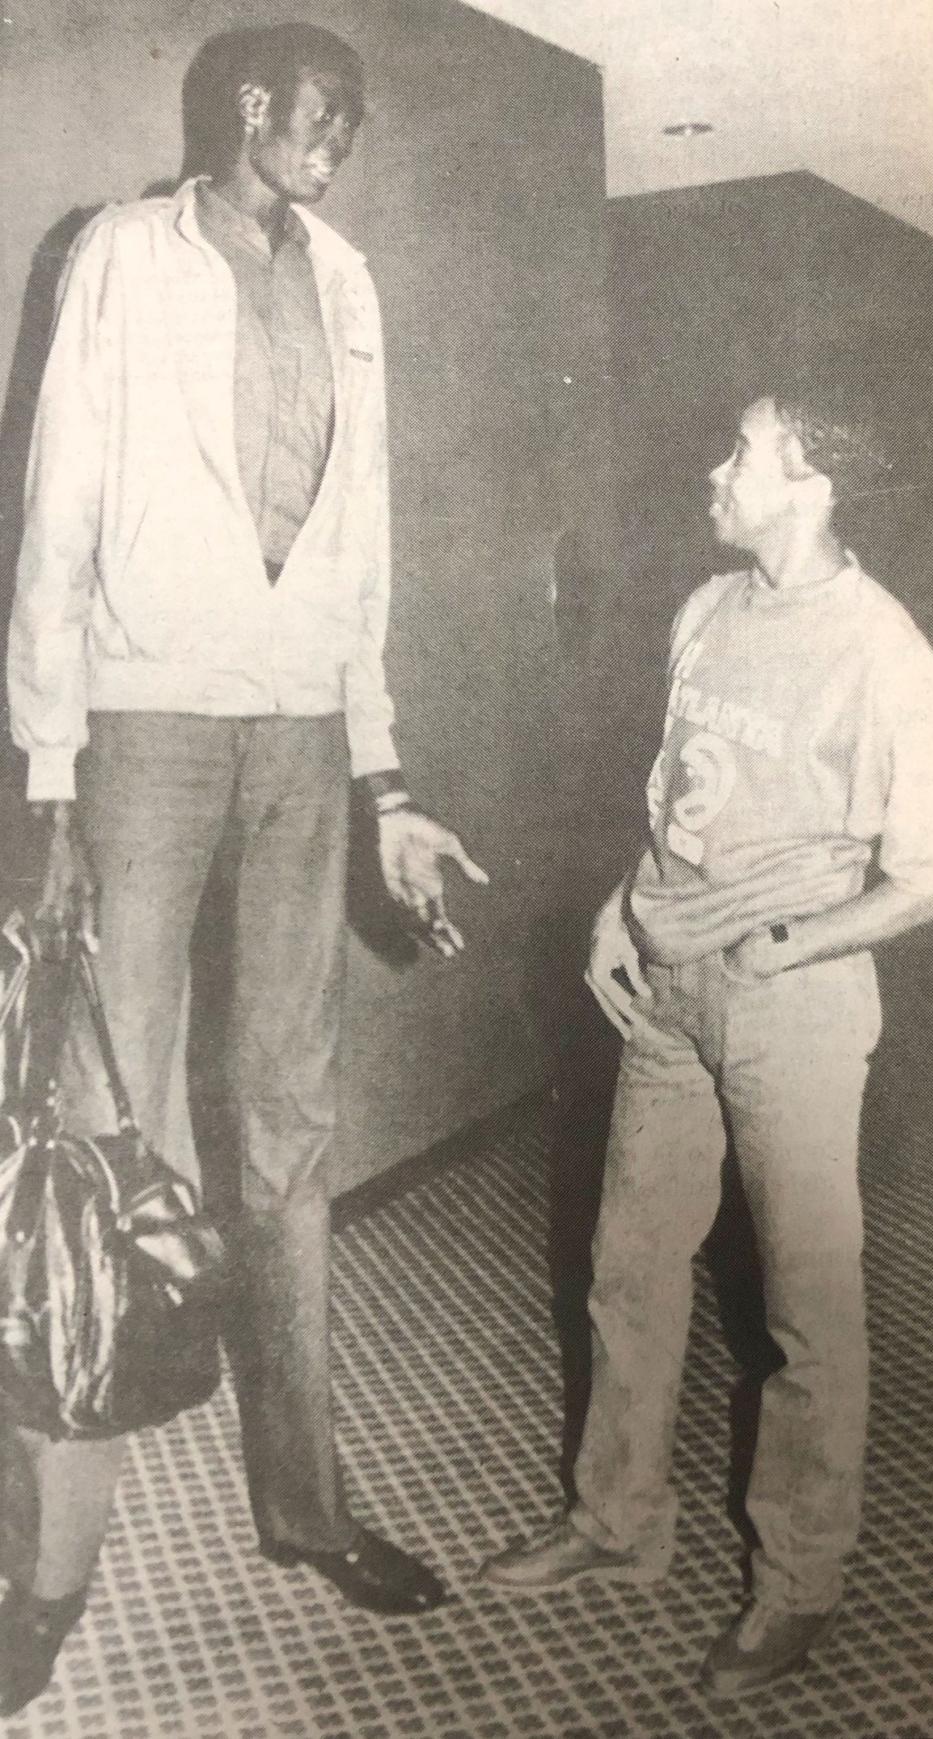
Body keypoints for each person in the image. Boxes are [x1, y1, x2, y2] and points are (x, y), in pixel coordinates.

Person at [3, 21, 487, 1717]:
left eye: (353, 121)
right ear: (246, 108)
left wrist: (384, 768)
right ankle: (54, 1568)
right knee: (106, 1125)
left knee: (288, 1126)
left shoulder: (348, 279)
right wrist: (49, 767)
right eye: (314, 112)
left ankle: (307, 1506)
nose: (334, 141)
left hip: (297, 732)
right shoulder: (123, 255)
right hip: (140, 725)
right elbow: (59, 502)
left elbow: (361, 546)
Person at [481, 389, 933, 1697]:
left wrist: (790, 946)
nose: (716, 469)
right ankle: (615, 1519)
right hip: (668, 988)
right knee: (629, 1265)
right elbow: (677, 804)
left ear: (812, 485)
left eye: (743, 454)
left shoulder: (890, 659)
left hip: (791, 1006)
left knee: (808, 1304)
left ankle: (798, 1586)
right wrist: (612, 915)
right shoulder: (706, 610)